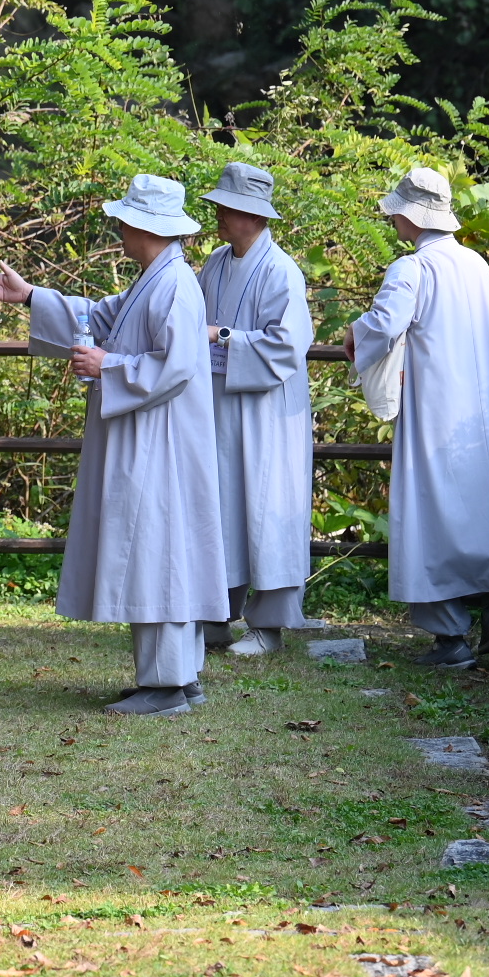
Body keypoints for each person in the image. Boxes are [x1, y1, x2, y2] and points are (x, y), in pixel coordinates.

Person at [0, 174, 227, 715]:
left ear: (143, 227)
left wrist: (110, 365)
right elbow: (101, 316)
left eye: (123, 221)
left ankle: (170, 683)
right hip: (146, 436)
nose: (117, 229)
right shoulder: (153, 280)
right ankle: (172, 676)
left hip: (162, 442)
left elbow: (179, 364)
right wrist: (32, 295)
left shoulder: (175, 284)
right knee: (155, 549)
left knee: (161, 550)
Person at [342, 166, 489, 668]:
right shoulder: (476, 264)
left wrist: (354, 336)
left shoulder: (412, 268)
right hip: (484, 406)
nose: (392, 222)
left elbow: (385, 324)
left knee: (429, 508)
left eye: (396, 214)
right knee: (486, 500)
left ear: (412, 216)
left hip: (435, 405)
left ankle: (450, 636)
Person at [193, 163, 315, 656]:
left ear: (251, 215)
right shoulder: (215, 264)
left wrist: (222, 336)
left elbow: (287, 347)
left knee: (267, 507)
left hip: (268, 412)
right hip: (220, 403)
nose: (218, 215)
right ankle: (216, 614)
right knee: (219, 505)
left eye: (226, 207)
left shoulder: (281, 270)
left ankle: (268, 626)